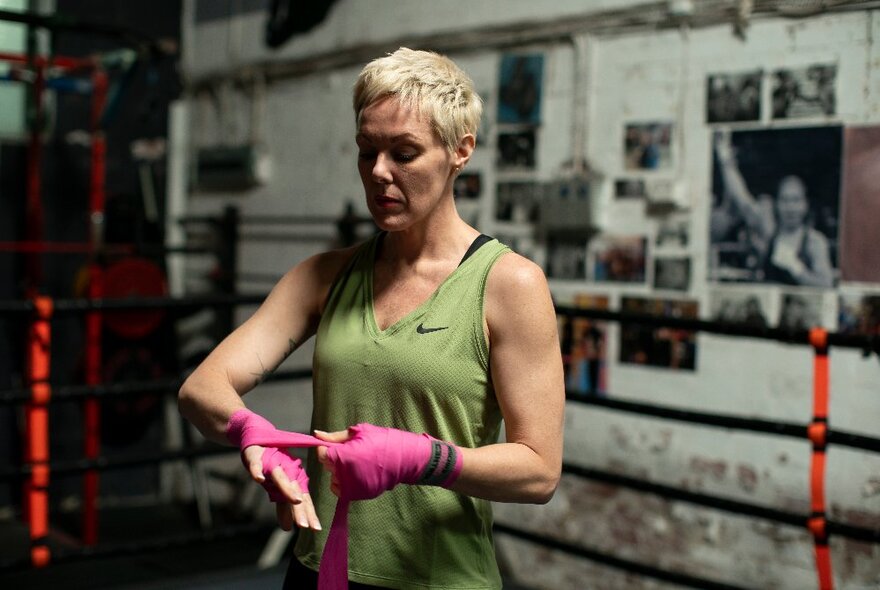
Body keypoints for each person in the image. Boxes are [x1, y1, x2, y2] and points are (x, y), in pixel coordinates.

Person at [178, 47, 565, 590]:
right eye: (367, 151)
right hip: (318, 572)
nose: (380, 172)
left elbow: (540, 469)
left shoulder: (507, 284)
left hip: (438, 580)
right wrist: (254, 436)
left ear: (460, 151)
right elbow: (202, 386)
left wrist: (423, 458)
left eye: (404, 153)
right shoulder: (324, 276)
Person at [713, 130, 834, 287]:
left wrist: (796, 269)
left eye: (795, 200)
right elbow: (742, 201)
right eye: (785, 200)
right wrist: (725, 159)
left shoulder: (814, 242)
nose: (790, 208)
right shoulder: (770, 231)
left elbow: (826, 285)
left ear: (805, 204)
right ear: (777, 204)